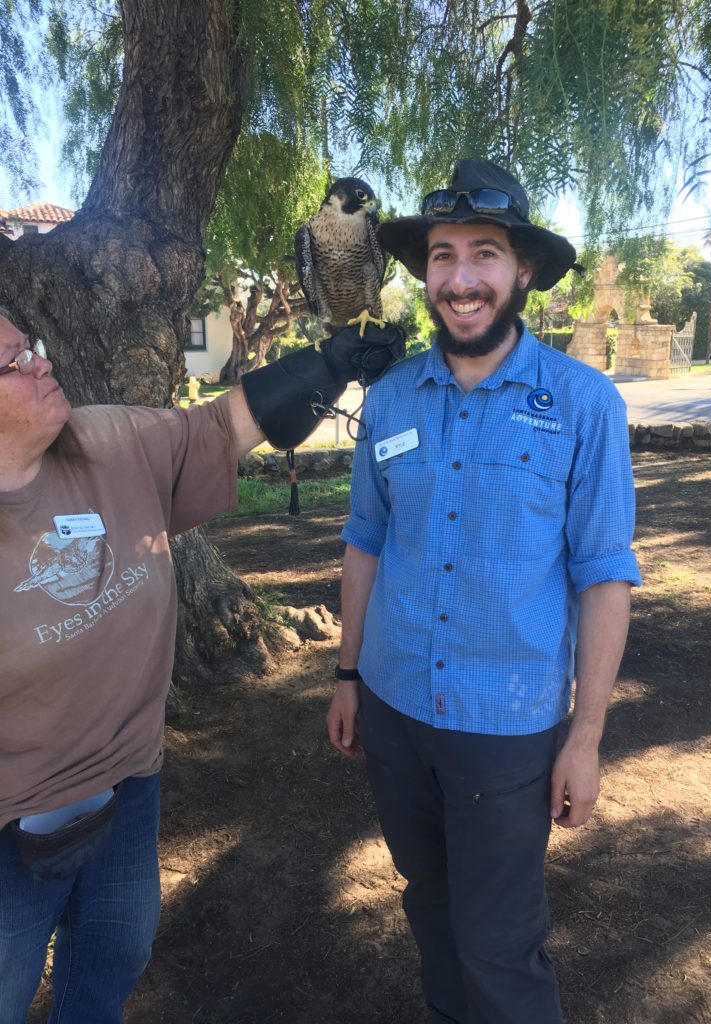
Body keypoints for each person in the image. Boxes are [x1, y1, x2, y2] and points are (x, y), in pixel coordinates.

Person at [0, 305, 403, 1024]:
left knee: (111, 963)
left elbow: (218, 430)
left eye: (32, 346)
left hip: (128, 783)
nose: (42, 362)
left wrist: (330, 363)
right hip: (12, 821)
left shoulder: (105, 441)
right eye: (14, 363)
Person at [325, 158, 642, 1024]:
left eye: (485, 254)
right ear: (423, 272)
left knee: (499, 944)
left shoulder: (585, 405)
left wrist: (586, 738)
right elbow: (366, 541)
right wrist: (346, 676)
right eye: (442, 256)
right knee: (427, 901)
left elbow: (605, 575)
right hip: (392, 707)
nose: (461, 279)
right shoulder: (388, 403)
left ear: (523, 271)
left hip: (508, 728)